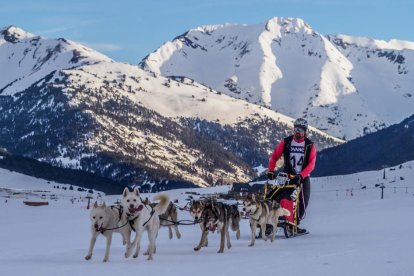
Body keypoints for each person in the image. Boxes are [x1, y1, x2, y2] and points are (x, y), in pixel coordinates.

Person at [266, 118, 317, 234]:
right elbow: (274, 156)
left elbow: (312, 164)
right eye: (295, 129)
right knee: (281, 197)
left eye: (300, 129)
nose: (297, 131)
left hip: (302, 177)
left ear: (305, 131)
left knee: (303, 201)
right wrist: (270, 170)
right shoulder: (286, 142)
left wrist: (302, 175)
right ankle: (273, 221)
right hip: (288, 176)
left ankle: (294, 224)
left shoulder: (309, 145)